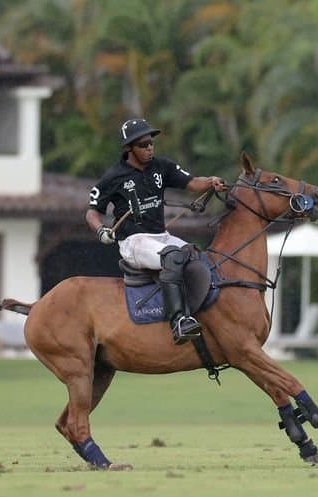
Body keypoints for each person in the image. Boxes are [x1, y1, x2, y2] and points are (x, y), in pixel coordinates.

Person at [86, 117, 227, 344]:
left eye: (151, 143)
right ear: (129, 148)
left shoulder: (162, 166)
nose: (149, 147)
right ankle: (179, 321)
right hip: (134, 242)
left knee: (197, 257)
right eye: (143, 145)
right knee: (172, 257)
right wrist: (101, 230)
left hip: (161, 236)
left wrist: (210, 182)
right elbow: (92, 211)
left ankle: (202, 312)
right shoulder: (113, 177)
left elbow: (191, 183)